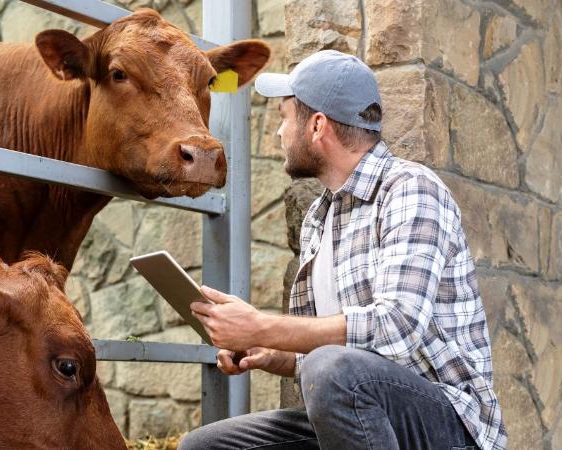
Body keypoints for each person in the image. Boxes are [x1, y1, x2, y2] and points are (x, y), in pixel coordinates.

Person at [180, 50, 507, 450]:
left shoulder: (410, 189)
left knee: (331, 368)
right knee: (205, 446)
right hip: (364, 415)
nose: (279, 134)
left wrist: (262, 325)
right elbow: (341, 355)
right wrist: (268, 352)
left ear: (317, 125)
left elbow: (396, 328)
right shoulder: (321, 215)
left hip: (450, 427)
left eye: (284, 118)